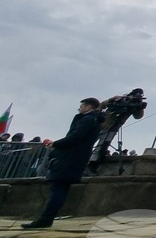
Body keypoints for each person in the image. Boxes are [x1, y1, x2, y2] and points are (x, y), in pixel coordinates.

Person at [21, 97, 102, 230]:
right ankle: (47, 217)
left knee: (58, 188)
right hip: (78, 158)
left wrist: (56, 144)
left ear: (88, 107)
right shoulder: (95, 120)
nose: (80, 108)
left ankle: (46, 218)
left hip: (70, 158)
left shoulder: (87, 119)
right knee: (61, 188)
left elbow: (75, 137)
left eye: (81, 106)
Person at [89, 89, 146, 174]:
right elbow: (102, 105)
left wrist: (140, 107)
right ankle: (87, 161)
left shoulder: (135, 104)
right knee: (90, 143)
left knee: (103, 146)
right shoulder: (120, 99)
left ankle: (94, 164)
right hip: (102, 125)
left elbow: (138, 116)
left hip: (113, 128)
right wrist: (112, 100)